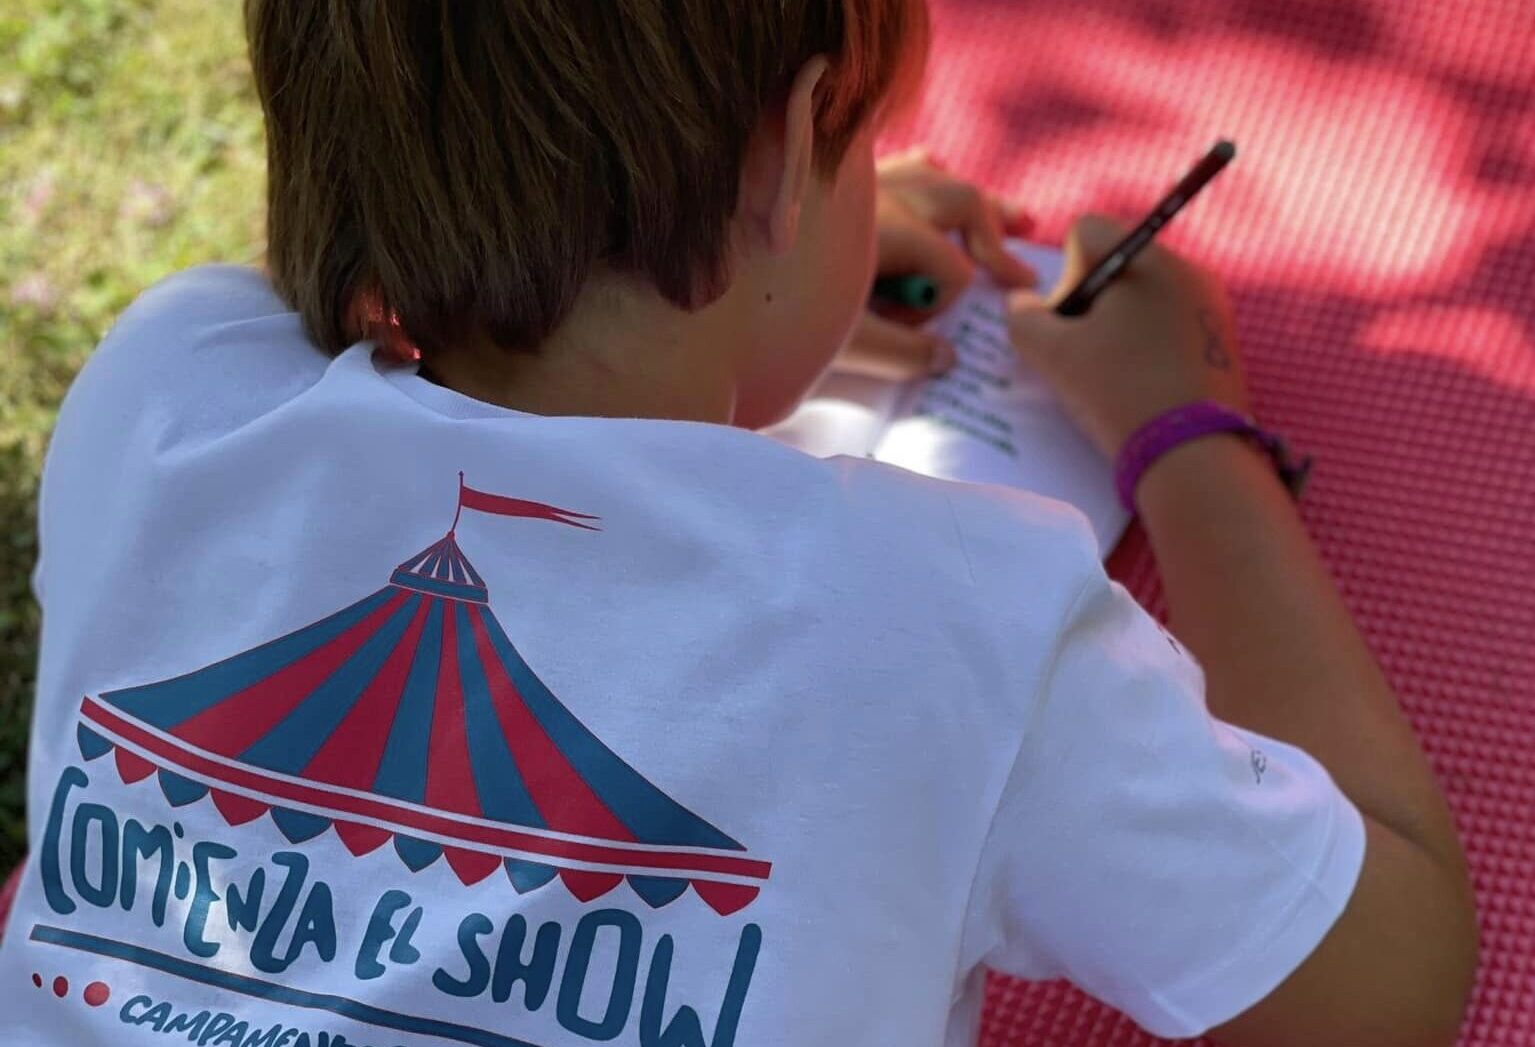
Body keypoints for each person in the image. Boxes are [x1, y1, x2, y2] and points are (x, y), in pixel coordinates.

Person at [0, 1, 1475, 1045]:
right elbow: (1380, 986)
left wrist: (731, 226)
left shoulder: (163, 390)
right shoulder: (953, 626)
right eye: (856, 146)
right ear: (781, 155)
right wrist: (1184, 429)